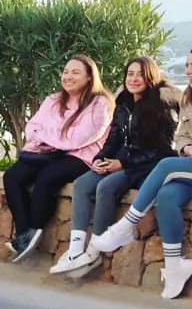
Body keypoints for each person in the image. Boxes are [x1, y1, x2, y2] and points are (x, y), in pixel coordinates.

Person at [52, 56, 177, 276]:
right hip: (121, 159)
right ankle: (75, 249)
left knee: (106, 187)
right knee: (82, 184)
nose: (134, 79)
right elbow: (114, 136)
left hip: (145, 166)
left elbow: (163, 150)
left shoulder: (161, 105)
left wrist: (122, 164)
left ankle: (95, 248)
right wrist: (100, 158)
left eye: (140, 74)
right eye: (130, 74)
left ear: (151, 77)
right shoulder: (123, 101)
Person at [93, 55, 192, 297]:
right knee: (166, 196)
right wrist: (187, 147)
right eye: (188, 65)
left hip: (178, 165)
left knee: (167, 164)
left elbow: (165, 143)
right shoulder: (189, 97)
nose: (189, 70)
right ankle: (174, 266)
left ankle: (126, 225)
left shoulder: (166, 100)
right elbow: (181, 137)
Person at [1, 56, 113, 262]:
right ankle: (25, 232)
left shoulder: (100, 103)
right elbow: (32, 127)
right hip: (48, 152)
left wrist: (48, 135)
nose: (68, 76)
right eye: (66, 71)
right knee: (12, 176)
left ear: (89, 77)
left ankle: (34, 228)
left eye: (75, 72)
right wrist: (52, 136)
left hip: (81, 156)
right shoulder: (53, 100)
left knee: (47, 177)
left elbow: (84, 136)